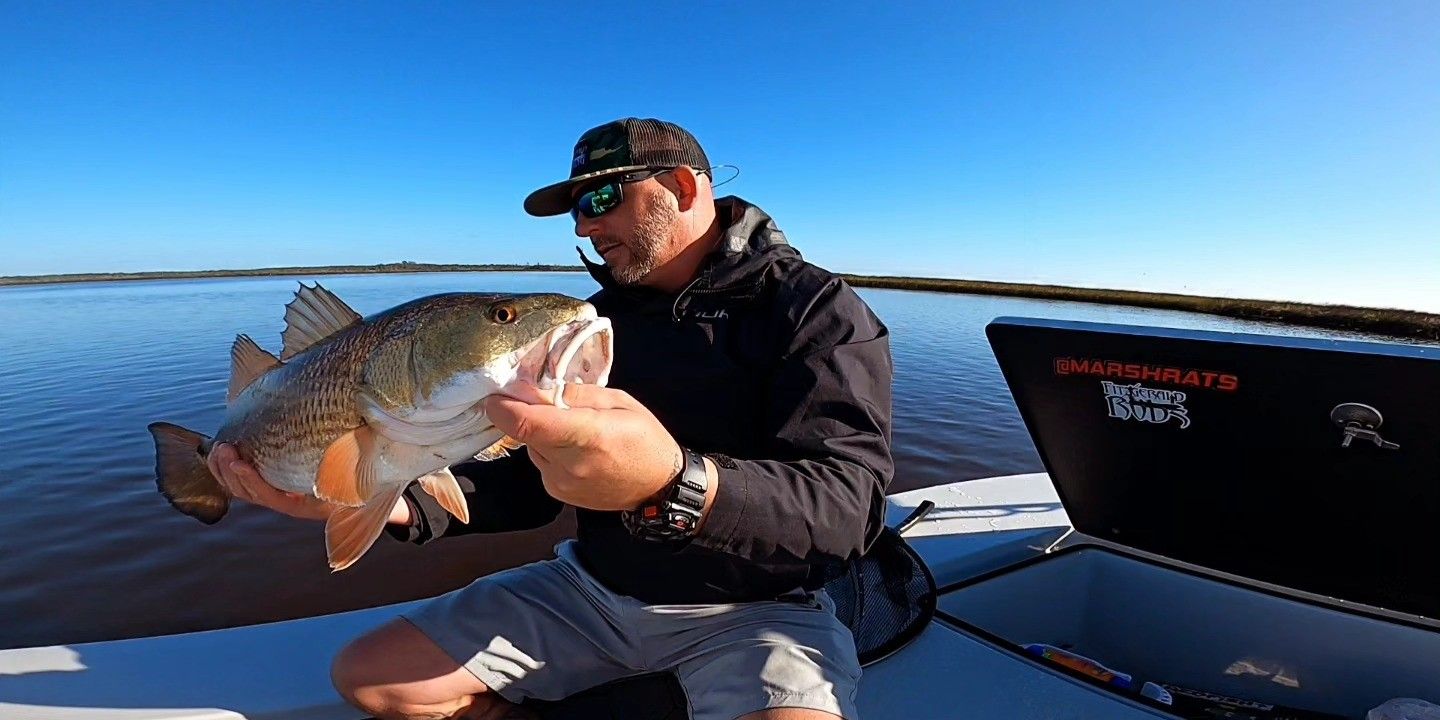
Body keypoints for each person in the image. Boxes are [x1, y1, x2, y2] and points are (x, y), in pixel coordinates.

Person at [207, 117, 895, 720]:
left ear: (684, 188)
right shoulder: (592, 323)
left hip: (758, 610)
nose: (585, 227)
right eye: (576, 210)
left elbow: (849, 511)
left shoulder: (817, 312)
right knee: (372, 677)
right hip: (590, 590)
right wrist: (396, 502)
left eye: (601, 199)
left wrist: (676, 483)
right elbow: (527, 485)